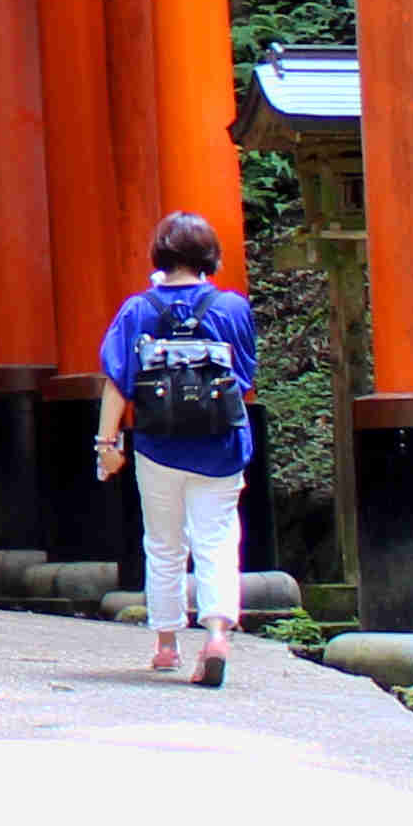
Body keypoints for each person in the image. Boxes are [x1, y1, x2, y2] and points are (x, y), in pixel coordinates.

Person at [92, 211, 261, 688]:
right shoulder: (232, 309)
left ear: (159, 257)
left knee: (164, 543)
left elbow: (117, 382)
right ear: (210, 256)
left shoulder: (137, 310)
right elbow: (244, 379)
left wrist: (107, 443)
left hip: (158, 445)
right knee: (217, 539)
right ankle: (218, 633)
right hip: (220, 445)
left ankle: (166, 644)